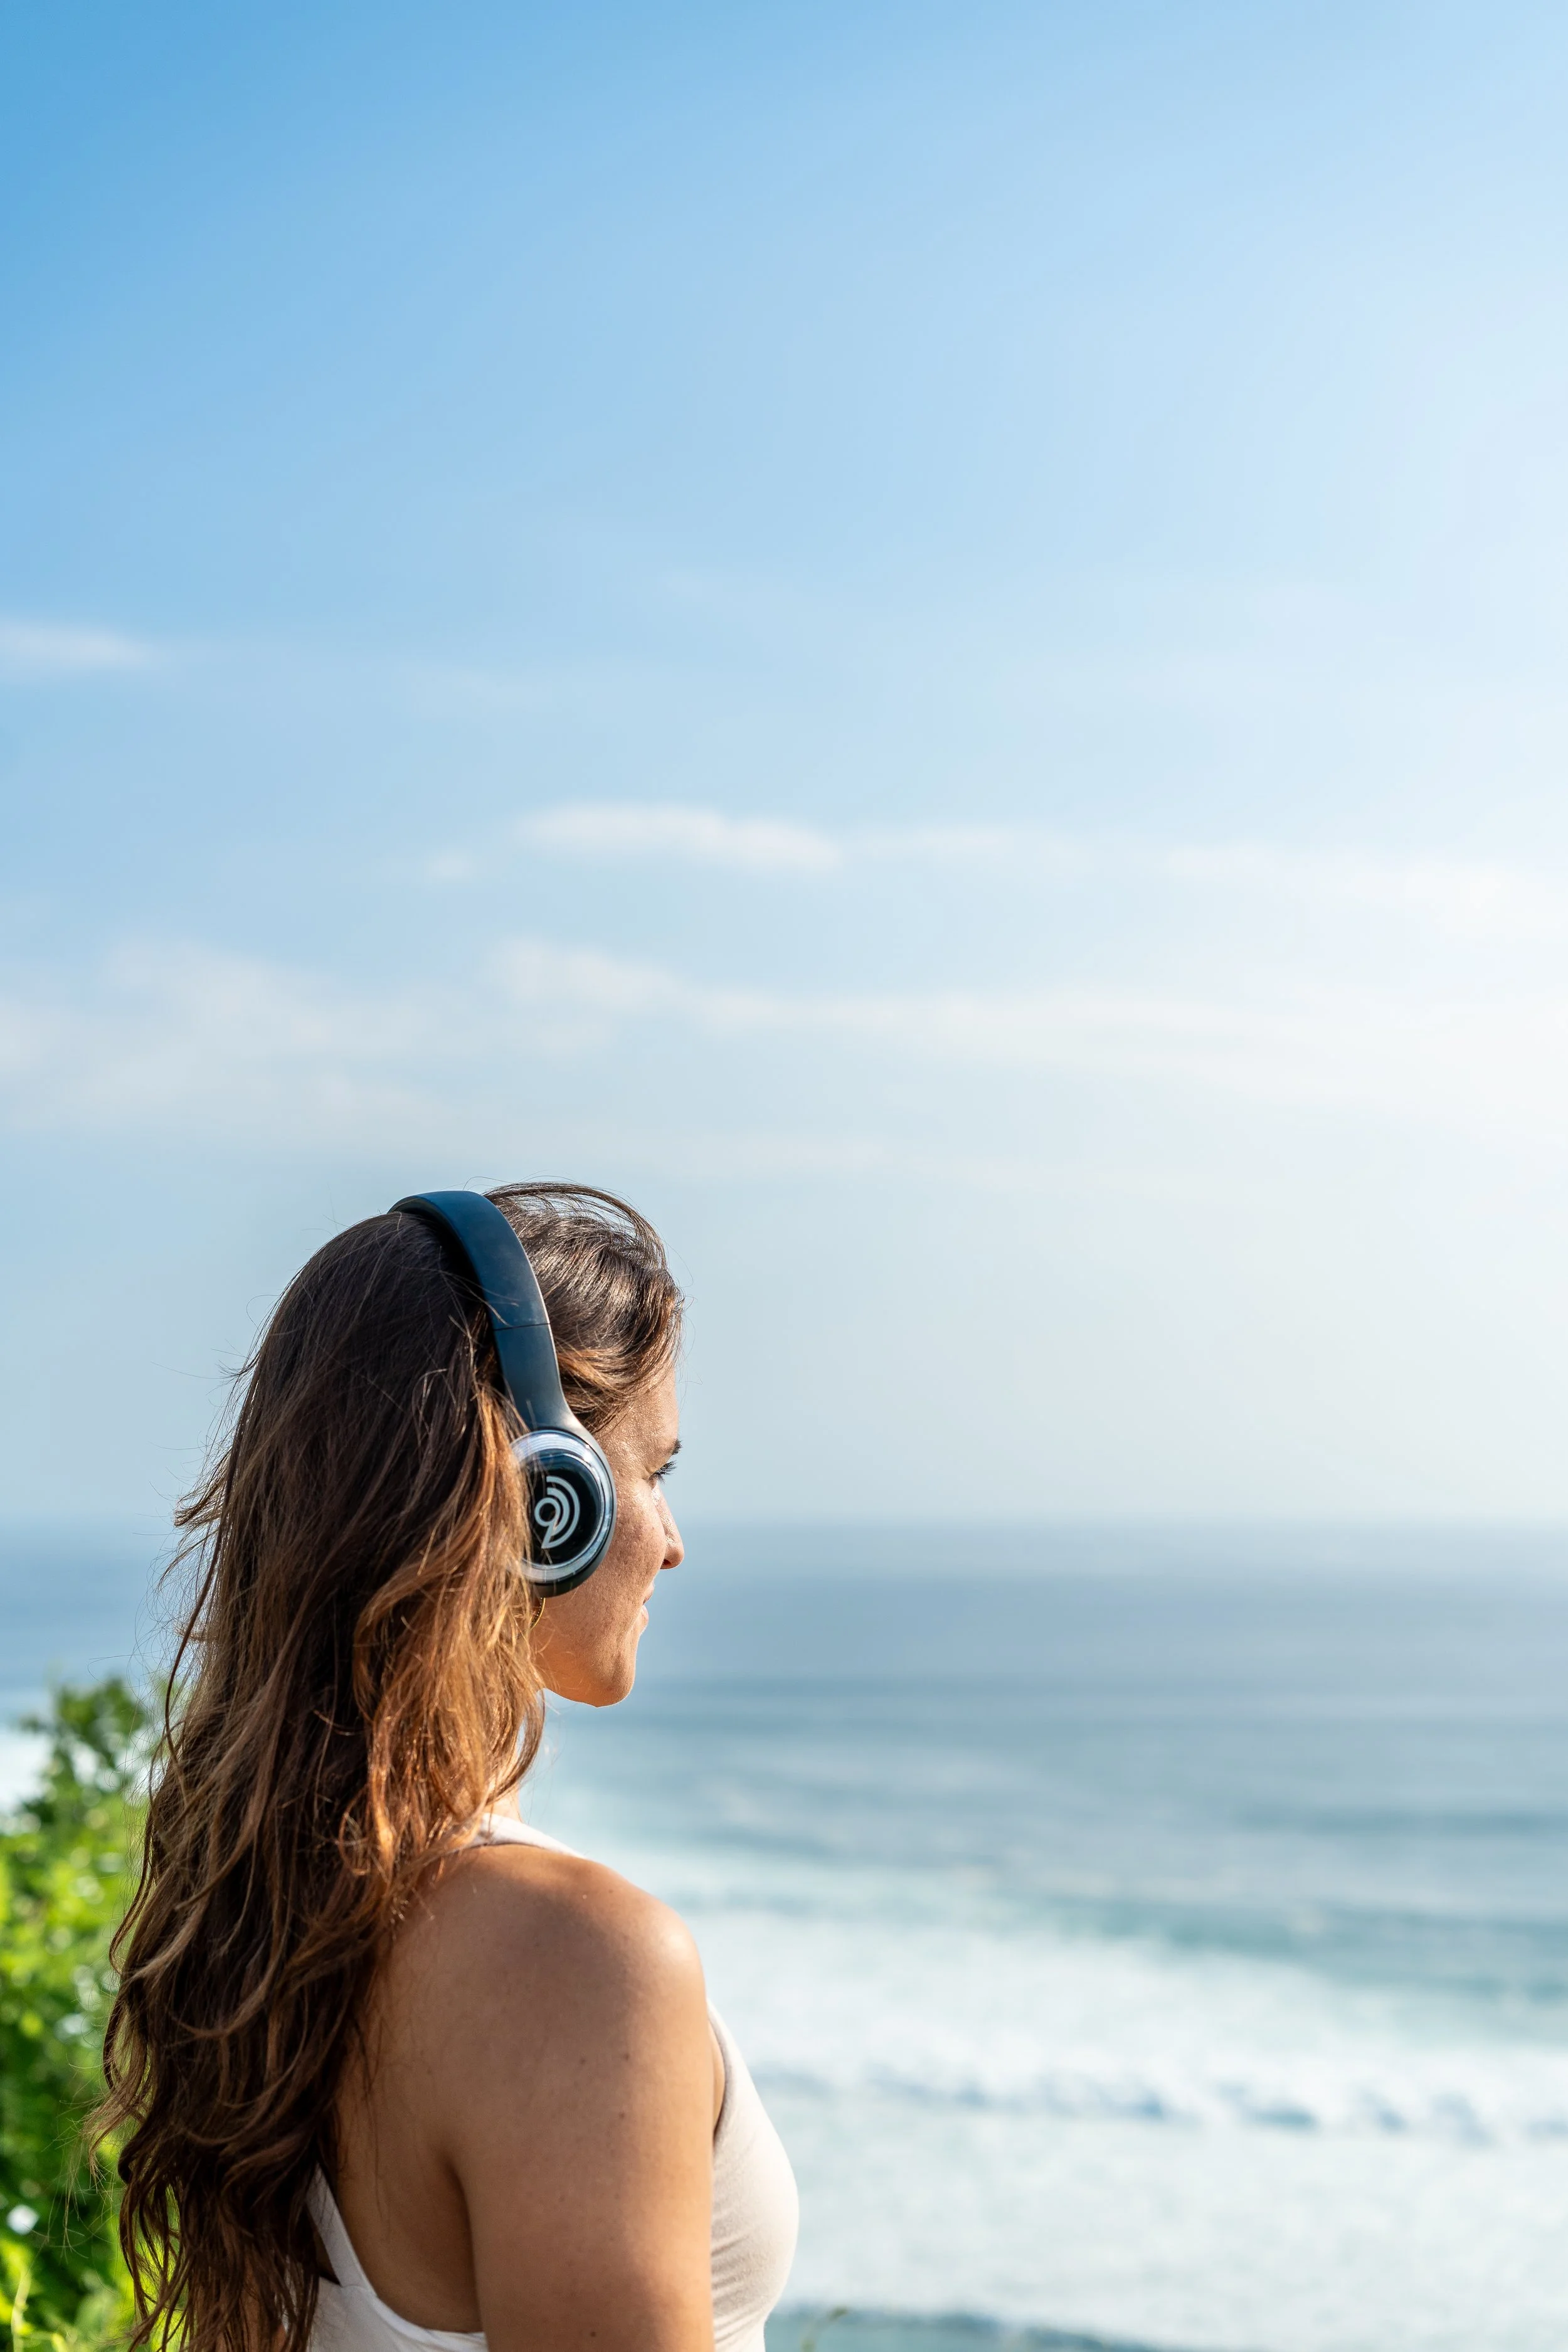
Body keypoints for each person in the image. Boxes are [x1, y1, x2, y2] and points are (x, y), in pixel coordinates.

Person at [99, 1184, 798, 2352]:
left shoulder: (274, 1907)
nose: (673, 1541)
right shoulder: (576, 1961)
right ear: (545, 1496)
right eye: (656, 1470)